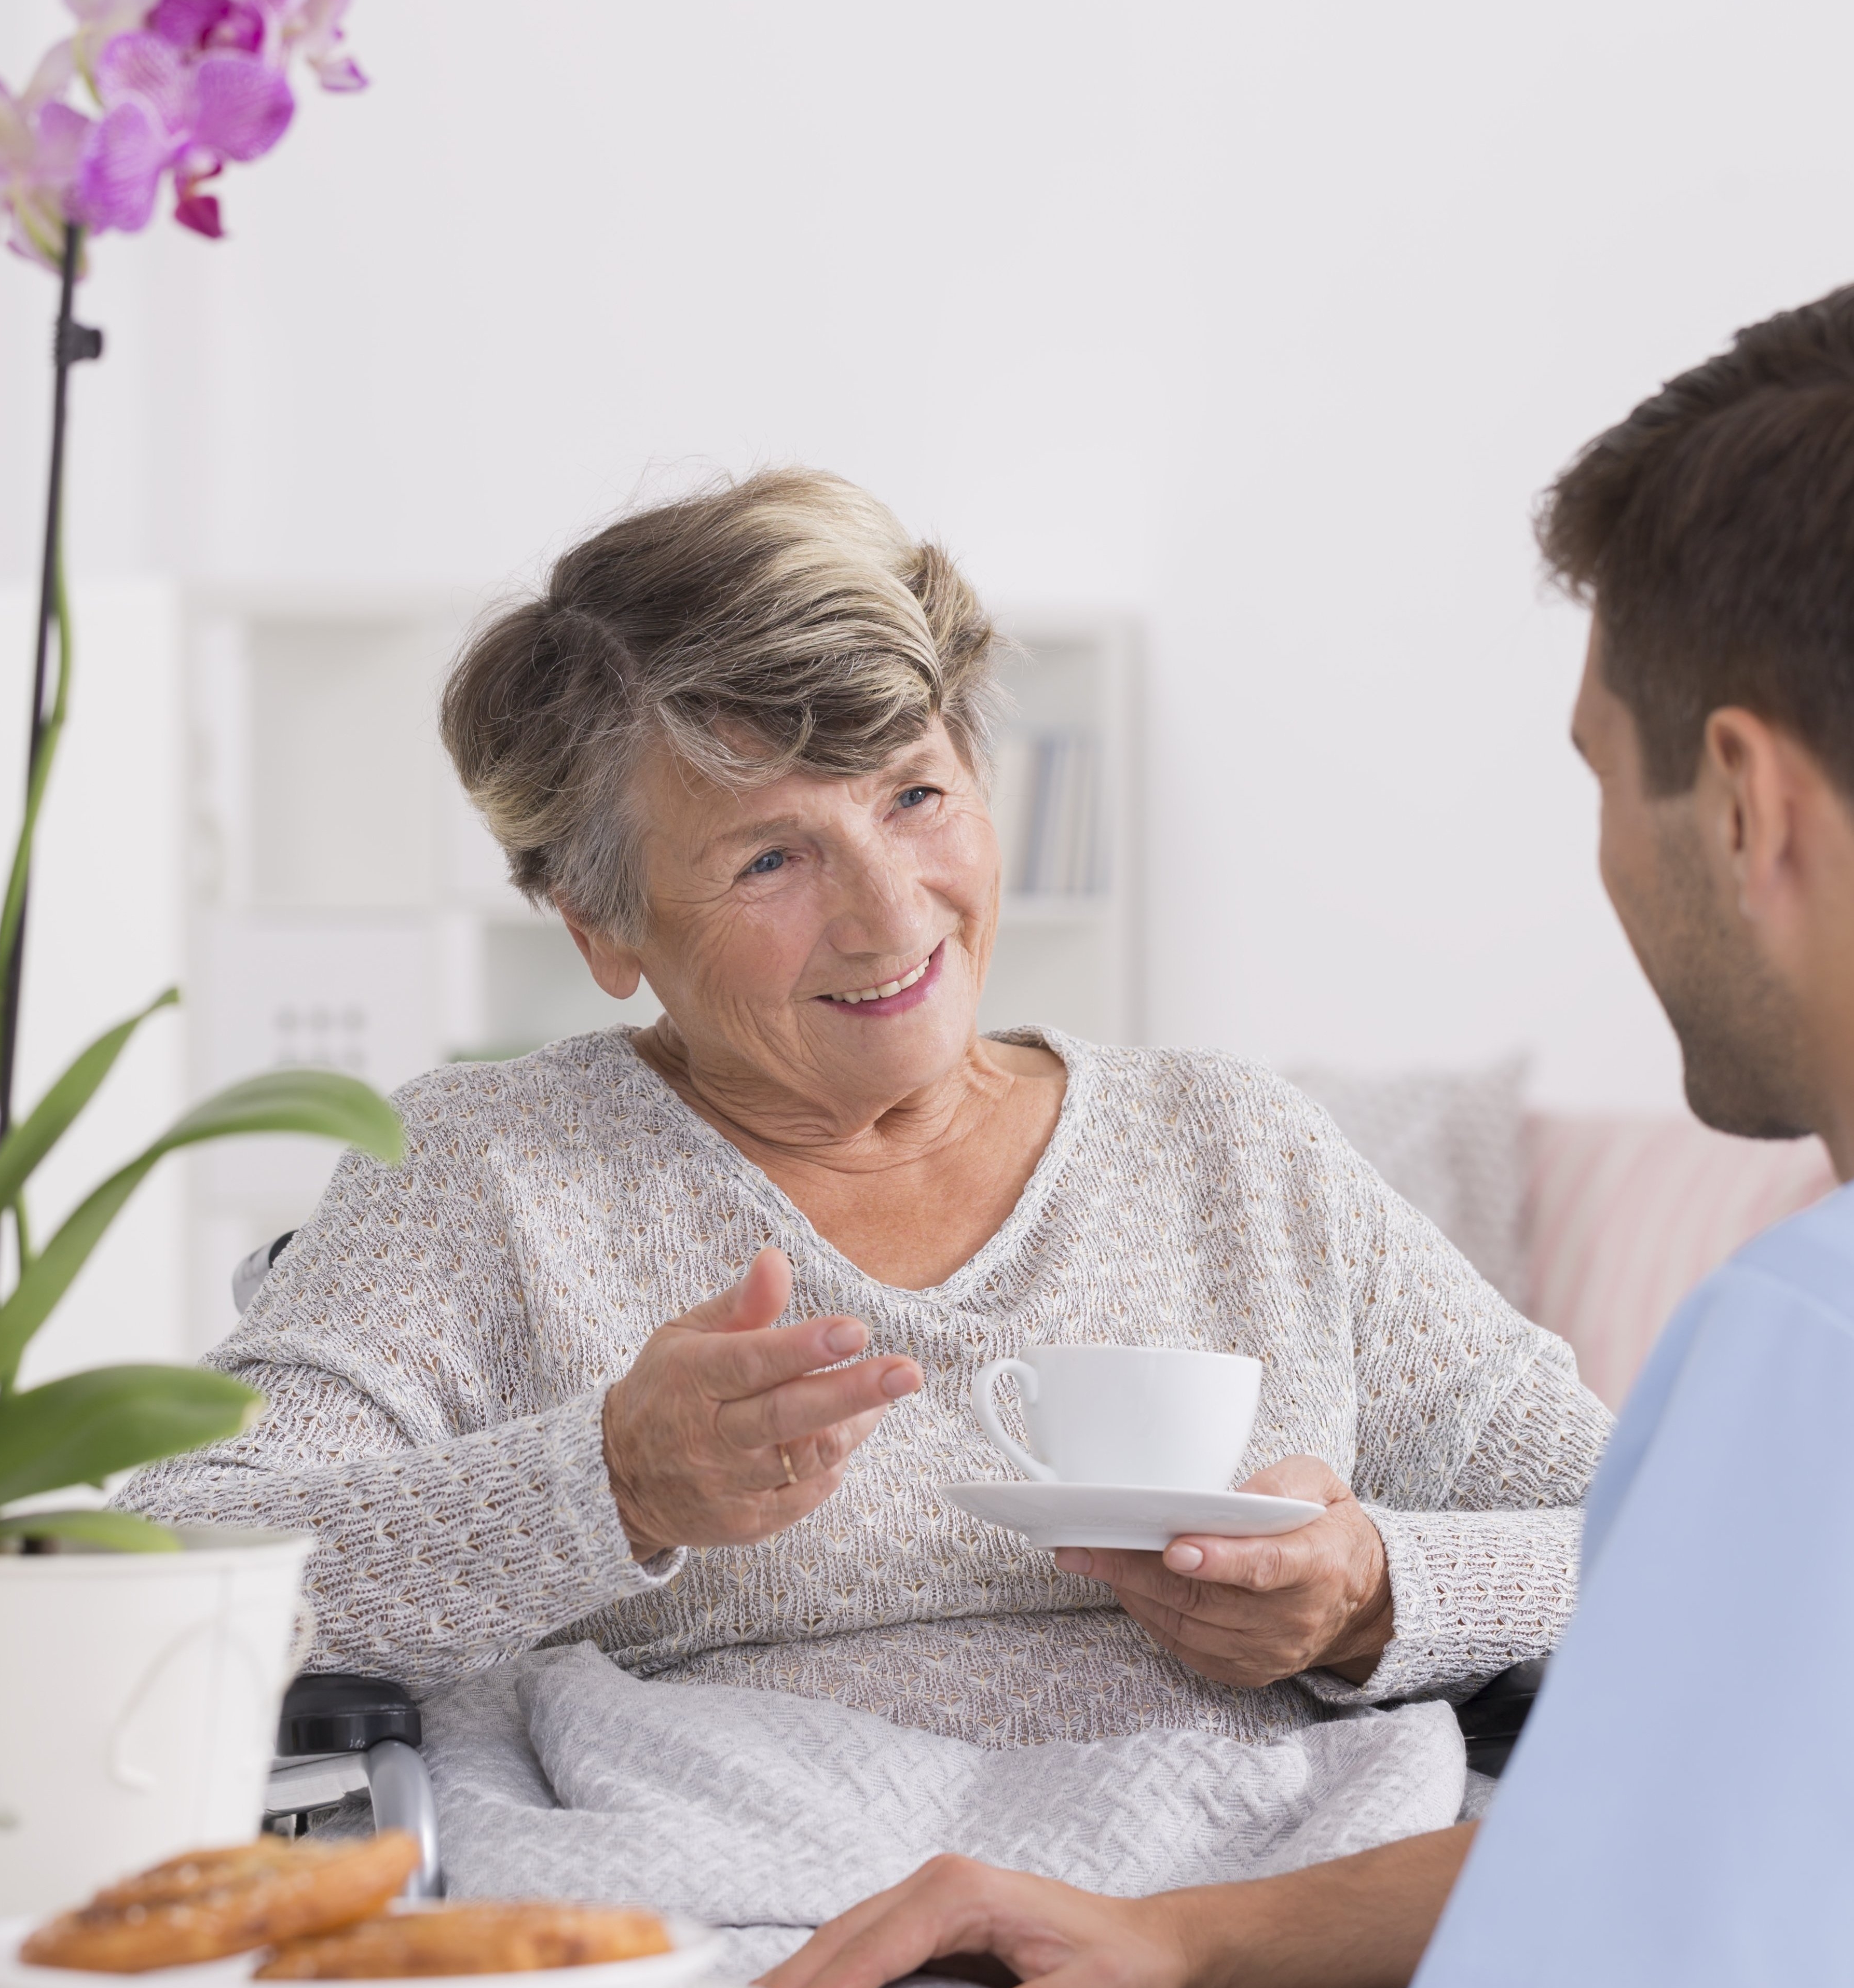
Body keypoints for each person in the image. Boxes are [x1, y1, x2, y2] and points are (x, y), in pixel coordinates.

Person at [125, 470, 1599, 1775]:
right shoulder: (487, 1170)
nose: (894, 918)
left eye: (915, 795)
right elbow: (171, 1567)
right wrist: (606, 1485)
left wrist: (1370, 1594)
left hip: (1248, 1912)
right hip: (734, 1907)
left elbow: (1667, 1526)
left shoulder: (1232, 1146)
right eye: (773, 857)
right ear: (602, 927)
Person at [762, 290, 1854, 1988]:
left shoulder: (1805, 1355)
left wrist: (1364, 1590)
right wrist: (1183, 1940)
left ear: (1741, 803)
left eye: (1596, 776)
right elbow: (1670, 1843)